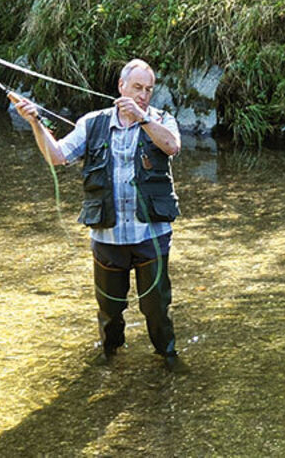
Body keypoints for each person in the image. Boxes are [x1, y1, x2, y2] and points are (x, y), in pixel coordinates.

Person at [10, 59, 188, 373]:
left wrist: (143, 118)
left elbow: (172, 146)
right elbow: (57, 156)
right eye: (137, 87)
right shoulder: (92, 123)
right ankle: (110, 358)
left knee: (156, 308)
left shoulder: (161, 120)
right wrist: (36, 123)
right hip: (107, 237)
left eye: (148, 89)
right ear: (121, 87)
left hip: (151, 236)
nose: (144, 94)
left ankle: (168, 359)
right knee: (109, 309)